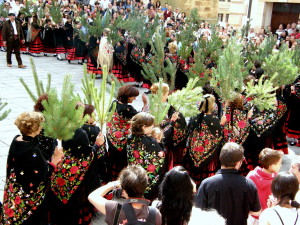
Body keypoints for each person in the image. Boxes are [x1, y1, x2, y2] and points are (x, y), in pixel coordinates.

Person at [1, 112, 64, 224]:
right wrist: (56, 159)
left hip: (15, 186)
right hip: (28, 194)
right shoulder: (33, 150)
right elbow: (44, 172)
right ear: (35, 129)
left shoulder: (16, 140)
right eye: (40, 125)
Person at [195, 142, 261, 225]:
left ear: (220, 159)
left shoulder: (207, 184)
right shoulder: (249, 185)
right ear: (239, 162)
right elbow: (256, 212)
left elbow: (199, 212)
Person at [88, 165, 162, 225]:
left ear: (123, 190)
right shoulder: (155, 213)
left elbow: (92, 196)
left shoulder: (115, 210)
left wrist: (112, 184)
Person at [107, 85, 147, 180]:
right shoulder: (127, 109)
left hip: (112, 137)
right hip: (122, 141)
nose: (135, 99)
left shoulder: (114, 103)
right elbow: (142, 118)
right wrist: (145, 104)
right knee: (122, 161)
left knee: (113, 160)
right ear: (128, 97)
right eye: (133, 96)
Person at [185, 94, 225, 186]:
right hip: (208, 157)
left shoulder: (195, 117)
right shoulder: (214, 120)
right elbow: (219, 137)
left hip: (193, 153)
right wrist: (221, 124)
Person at [126, 112, 165, 200]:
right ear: (143, 127)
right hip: (145, 180)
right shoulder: (150, 142)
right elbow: (159, 160)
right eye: (151, 125)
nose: (153, 127)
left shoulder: (130, 138)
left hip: (133, 176)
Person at [246, 148, 283, 223]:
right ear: (272, 166)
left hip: (251, 216)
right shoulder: (277, 181)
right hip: (268, 218)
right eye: (279, 163)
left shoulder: (251, 175)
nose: (281, 165)